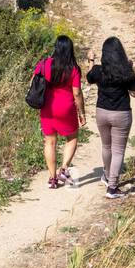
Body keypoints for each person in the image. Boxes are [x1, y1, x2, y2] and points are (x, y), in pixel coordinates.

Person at [86, 36, 135, 199]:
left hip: (102, 112)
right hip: (121, 114)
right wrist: (132, 70)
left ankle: (107, 176)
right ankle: (113, 187)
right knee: (118, 151)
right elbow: (134, 93)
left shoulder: (98, 70)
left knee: (106, 146)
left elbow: (88, 78)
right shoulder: (126, 72)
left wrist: (90, 60)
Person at [33, 35, 86, 189]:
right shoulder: (73, 68)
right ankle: (63, 169)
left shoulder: (44, 64)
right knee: (72, 138)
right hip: (66, 109)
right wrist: (81, 113)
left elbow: (33, 82)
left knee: (50, 142)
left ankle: (52, 178)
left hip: (47, 108)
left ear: (55, 47)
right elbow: (77, 93)